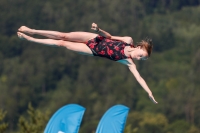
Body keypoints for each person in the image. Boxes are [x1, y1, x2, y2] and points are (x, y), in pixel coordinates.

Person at [17, 23, 158, 104]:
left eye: (142, 59)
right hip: (95, 38)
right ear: (139, 48)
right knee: (63, 35)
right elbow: (109, 37)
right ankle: (32, 31)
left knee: (62, 44)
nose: (139, 59)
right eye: (141, 56)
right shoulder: (128, 40)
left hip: (92, 50)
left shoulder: (128, 62)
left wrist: (149, 91)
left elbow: (139, 78)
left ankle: (30, 39)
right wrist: (98, 30)